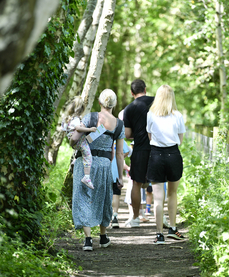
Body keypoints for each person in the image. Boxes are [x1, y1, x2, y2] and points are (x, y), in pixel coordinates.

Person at [70, 89, 125, 251]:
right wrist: (120, 177)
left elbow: (74, 139)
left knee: (82, 197)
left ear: (100, 102)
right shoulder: (119, 125)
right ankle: (102, 237)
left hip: (85, 163)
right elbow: (120, 153)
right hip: (104, 165)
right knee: (103, 198)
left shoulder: (90, 118)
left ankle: (88, 240)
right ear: (114, 105)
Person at [124, 79, 169, 227]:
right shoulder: (157, 102)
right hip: (158, 147)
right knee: (158, 183)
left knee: (136, 183)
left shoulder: (129, 109)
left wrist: (138, 133)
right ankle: (161, 218)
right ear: (145, 88)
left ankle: (136, 218)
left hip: (140, 149)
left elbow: (128, 133)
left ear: (132, 93)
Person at [146, 84, 186, 244]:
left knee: (157, 198)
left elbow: (150, 137)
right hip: (173, 155)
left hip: (156, 155)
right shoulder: (178, 116)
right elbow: (181, 140)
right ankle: (173, 228)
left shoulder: (150, 115)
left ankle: (159, 234)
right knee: (172, 194)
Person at [62, 96, 97, 189]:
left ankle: (74, 160)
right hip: (78, 141)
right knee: (88, 156)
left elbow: (64, 129)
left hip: (74, 141)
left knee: (84, 147)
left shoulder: (68, 119)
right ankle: (87, 177)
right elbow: (78, 129)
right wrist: (90, 129)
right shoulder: (76, 119)